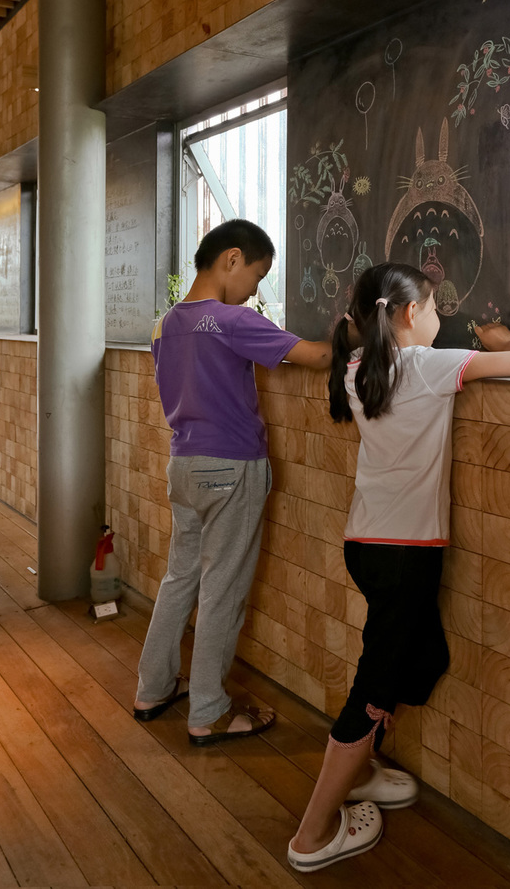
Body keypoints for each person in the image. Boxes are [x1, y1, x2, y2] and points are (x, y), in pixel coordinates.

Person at [287, 262, 510, 872]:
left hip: (367, 545)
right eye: (434, 309)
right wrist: (504, 342)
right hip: (406, 554)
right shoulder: (428, 367)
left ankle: (357, 770)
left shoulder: (357, 369)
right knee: (375, 687)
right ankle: (313, 836)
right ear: (411, 313)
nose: (439, 319)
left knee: (424, 658)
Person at [133, 219, 332, 745]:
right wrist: (355, 332)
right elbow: (319, 356)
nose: (255, 291)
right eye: (257, 277)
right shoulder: (231, 320)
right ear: (232, 259)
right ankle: (208, 712)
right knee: (222, 590)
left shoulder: (164, 325)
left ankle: (152, 689)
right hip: (231, 466)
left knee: (180, 579)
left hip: (184, 464)